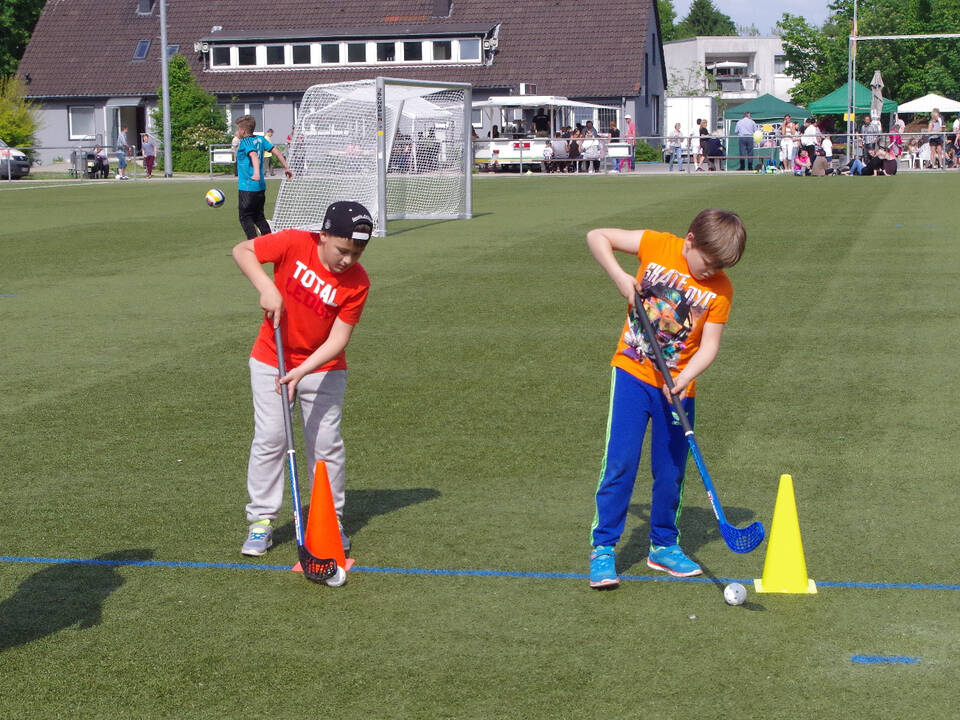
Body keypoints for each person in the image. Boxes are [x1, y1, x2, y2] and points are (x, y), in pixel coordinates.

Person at [585, 209, 747, 589]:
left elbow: (709, 346)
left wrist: (686, 376)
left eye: (720, 267)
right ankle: (604, 548)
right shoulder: (657, 245)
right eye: (707, 263)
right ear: (689, 241)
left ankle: (663, 545)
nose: (711, 273)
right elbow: (598, 235)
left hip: (677, 389)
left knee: (670, 471)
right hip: (632, 372)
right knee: (621, 463)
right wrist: (622, 278)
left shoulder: (721, 289)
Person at [232, 201, 374, 558]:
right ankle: (261, 521)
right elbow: (243, 249)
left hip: (323, 368)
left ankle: (329, 518)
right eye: (342, 250)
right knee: (271, 438)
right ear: (323, 235)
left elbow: (339, 339)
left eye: (356, 253)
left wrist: (302, 371)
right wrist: (266, 286)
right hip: (271, 358)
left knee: (326, 444)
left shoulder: (357, 282)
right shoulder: (294, 243)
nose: (348, 260)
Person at [235, 114, 293, 239]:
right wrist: (287, 167)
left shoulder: (246, 142)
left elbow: (253, 155)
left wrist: (256, 172)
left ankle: (254, 245)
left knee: (245, 217)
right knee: (258, 216)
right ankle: (271, 243)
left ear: (243, 131)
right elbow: (276, 151)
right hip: (260, 187)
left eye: (237, 129)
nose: (236, 132)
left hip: (248, 187)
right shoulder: (261, 139)